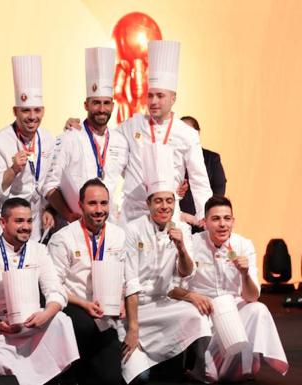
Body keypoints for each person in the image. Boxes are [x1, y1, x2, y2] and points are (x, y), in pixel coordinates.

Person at [0, 198, 79, 385]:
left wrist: (45, 315)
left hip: (31, 323)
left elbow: (56, 291)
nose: (26, 227)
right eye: (19, 221)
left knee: (62, 321)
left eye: (29, 221)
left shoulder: (38, 250)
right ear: (3, 223)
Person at [169, 196, 288, 382]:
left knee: (258, 309)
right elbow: (173, 287)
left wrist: (244, 273)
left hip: (234, 307)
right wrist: (193, 297)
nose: (222, 224)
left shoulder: (243, 245)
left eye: (227, 218)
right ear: (205, 222)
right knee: (210, 371)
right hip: (203, 307)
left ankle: (243, 367)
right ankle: (205, 368)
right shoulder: (192, 243)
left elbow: (252, 296)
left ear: (233, 221)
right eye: (215, 219)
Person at [121, 144, 211, 384]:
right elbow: (130, 281)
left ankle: (184, 368)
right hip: (135, 309)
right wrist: (133, 328)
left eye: (169, 201)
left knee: (196, 317)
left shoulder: (181, 228)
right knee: (141, 377)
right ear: (149, 203)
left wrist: (181, 247)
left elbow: (186, 271)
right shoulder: (132, 230)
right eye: (158, 201)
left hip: (163, 304)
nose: (164, 207)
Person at [117, 40, 212, 226]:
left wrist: (204, 216)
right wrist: (77, 126)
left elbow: (199, 179)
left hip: (168, 215)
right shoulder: (132, 125)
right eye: (150, 95)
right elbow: (104, 140)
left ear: (173, 98)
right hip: (132, 215)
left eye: (160, 96)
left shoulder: (187, 134)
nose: (153, 101)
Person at [47, 178, 125, 385]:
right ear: (80, 205)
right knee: (83, 324)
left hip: (106, 316)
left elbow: (126, 277)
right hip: (74, 309)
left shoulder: (119, 236)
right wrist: (84, 304)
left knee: (112, 379)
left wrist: (122, 301)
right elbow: (53, 285)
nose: (99, 210)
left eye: (104, 203)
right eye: (92, 203)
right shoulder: (62, 238)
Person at [45, 47, 128, 224]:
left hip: (110, 227)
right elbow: (48, 185)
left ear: (113, 106)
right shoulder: (69, 138)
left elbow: (134, 178)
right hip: (74, 226)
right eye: (96, 103)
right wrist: (68, 215)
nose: (101, 109)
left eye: (106, 103)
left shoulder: (121, 141)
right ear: (86, 105)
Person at [0, 55, 55, 241]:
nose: (32, 116)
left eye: (37, 110)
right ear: (15, 111)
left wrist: (48, 208)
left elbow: (50, 181)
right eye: (25, 110)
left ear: (43, 111)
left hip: (34, 225)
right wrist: (13, 170)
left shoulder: (47, 139)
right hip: (2, 227)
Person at [177, 116, 227, 230]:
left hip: (204, 223)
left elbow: (219, 188)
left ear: (197, 133)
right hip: (177, 221)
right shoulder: (170, 158)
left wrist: (207, 216)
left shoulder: (211, 158)